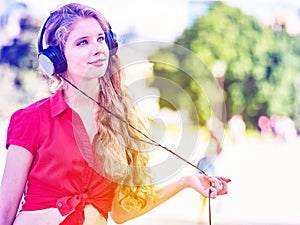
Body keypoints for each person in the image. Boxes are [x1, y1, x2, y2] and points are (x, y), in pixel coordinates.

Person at [0, 3, 230, 225]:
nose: (98, 49)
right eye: (82, 42)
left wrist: (186, 182)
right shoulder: (31, 119)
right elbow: (5, 212)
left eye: (101, 39)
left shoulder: (123, 121)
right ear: (56, 59)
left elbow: (121, 212)